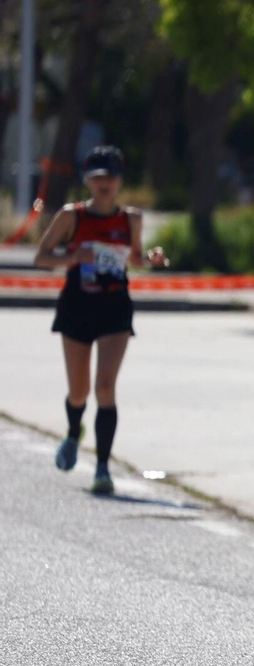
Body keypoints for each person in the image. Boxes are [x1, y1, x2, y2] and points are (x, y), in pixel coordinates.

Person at [32, 146, 168, 496]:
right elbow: (41, 257)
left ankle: (103, 469)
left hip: (115, 308)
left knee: (105, 387)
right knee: (79, 391)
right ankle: (73, 431)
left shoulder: (131, 219)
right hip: (77, 305)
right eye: (97, 178)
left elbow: (134, 258)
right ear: (88, 181)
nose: (104, 184)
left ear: (120, 180)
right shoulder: (70, 216)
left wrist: (151, 260)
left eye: (110, 177)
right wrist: (74, 256)